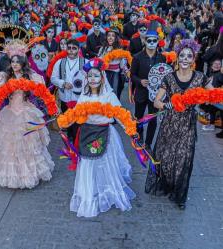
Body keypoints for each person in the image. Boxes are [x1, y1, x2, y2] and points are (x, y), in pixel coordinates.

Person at [145, 39, 213, 210]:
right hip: (170, 123)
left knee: (184, 158)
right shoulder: (169, 78)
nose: (185, 58)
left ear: (193, 59)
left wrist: (206, 97)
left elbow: (213, 93)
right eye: (182, 55)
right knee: (166, 156)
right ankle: (166, 185)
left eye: (189, 56)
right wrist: (168, 104)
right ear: (177, 57)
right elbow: (156, 101)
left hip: (187, 125)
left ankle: (179, 195)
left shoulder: (200, 77)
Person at [69, 58, 135, 218]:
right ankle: (89, 193)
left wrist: (130, 128)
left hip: (105, 134)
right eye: (90, 76)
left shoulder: (109, 96)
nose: (93, 79)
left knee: (105, 165)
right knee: (88, 166)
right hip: (87, 134)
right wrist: (64, 120)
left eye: (96, 76)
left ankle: (108, 191)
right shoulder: (83, 96)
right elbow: (76, 114)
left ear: (102, 78)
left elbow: (119, 114)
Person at [0, 40, 54, 189]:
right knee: (11, 145)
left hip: (26, 111)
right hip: (10, 112)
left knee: (28, 145)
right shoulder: (4, 77)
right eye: (13, 61)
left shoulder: (29, 75)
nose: (15, 64)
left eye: (18, 61)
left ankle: (29, 174)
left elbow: (41, 88)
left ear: (23, 63)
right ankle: (14, 175)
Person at [131, 30, 165, 150]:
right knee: (138, 117)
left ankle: (148, 143)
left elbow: (165, 75)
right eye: (149, 40)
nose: (151, 43)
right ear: (145, 41)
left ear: (158, 42)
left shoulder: (162, 58)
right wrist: (140, 81)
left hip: (155, 95)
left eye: (154, 40)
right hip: (141, 92)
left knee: (153, 119)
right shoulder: (137, 57)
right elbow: (132, 75)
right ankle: (139, 137)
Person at [51, 39, 87, 141]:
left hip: (79, 98)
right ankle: (71, 139)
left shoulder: (85, 62)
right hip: (65, 97)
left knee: (78, 121)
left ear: (78, 49)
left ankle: (77, 140)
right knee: (69, 120)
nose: (71, 50)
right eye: (69, 48)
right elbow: (53, 78)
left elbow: (91, 79)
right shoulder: (59, 63)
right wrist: (63, 83)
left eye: (74, 48)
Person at [98, 27, 127, 99]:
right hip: (104, 74)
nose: (110, 38)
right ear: (106, 37)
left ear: (116, 38)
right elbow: (98, 62)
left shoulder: (119, 49)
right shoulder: (102, 49)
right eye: (109, 35)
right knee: (103, 93)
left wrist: (127, 72)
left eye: (113, 36)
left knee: (113, 93)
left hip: (114, 74)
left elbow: (122, 65)